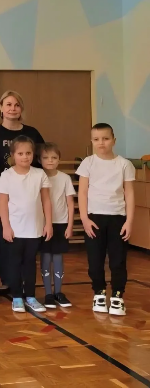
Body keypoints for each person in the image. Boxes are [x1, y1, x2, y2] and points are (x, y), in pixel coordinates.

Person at [0, 90, 45, 291]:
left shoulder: (32, 133)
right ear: (1, 108)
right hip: (2, 192)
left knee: (25, 243)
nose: (12, 108)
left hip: (27, 194)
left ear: (21, 108)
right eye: (8, 104)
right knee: (4, 238)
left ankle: (25, 283)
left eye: (16, 105)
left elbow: (42, 160)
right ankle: (7, 281)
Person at [76, 123, 135, 316]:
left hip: (118, 218)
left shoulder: (124, 164)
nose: (101, 143)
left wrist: (129, 221)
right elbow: (82, 192)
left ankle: (117, 296)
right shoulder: (88, 163)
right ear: (91, 141)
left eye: (106, 138)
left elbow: (129, 193)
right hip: (94, 219)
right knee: (95, 260)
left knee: (118, 260)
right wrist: (84, 218)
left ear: (114, 140)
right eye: (96, 139)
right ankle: (99, 293)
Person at [0, 136, 53, 313]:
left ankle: (30, 296)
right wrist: (6, 227)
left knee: (30, 263)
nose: (25, 156)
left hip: (34, 229)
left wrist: (48, 223)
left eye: (28, 153)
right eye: (20, 153)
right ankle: (16, 297)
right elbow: (2, 203)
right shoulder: (6, 176)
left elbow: (46, 200)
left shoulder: (39, 174)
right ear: (13, 155)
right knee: (14, 263)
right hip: (15, 229)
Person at [39, 142, 75, 309]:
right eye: (46, 157)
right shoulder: (38, 176)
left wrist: (70, 225)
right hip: (43, 224)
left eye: (54, 157)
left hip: (61, 223)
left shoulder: (65, 178)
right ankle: (48, 293)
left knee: (58, 257)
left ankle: (58, 292)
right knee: (46, 257)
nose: (50, 160)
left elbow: (70, 203)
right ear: (40, 160)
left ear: (59, 160)